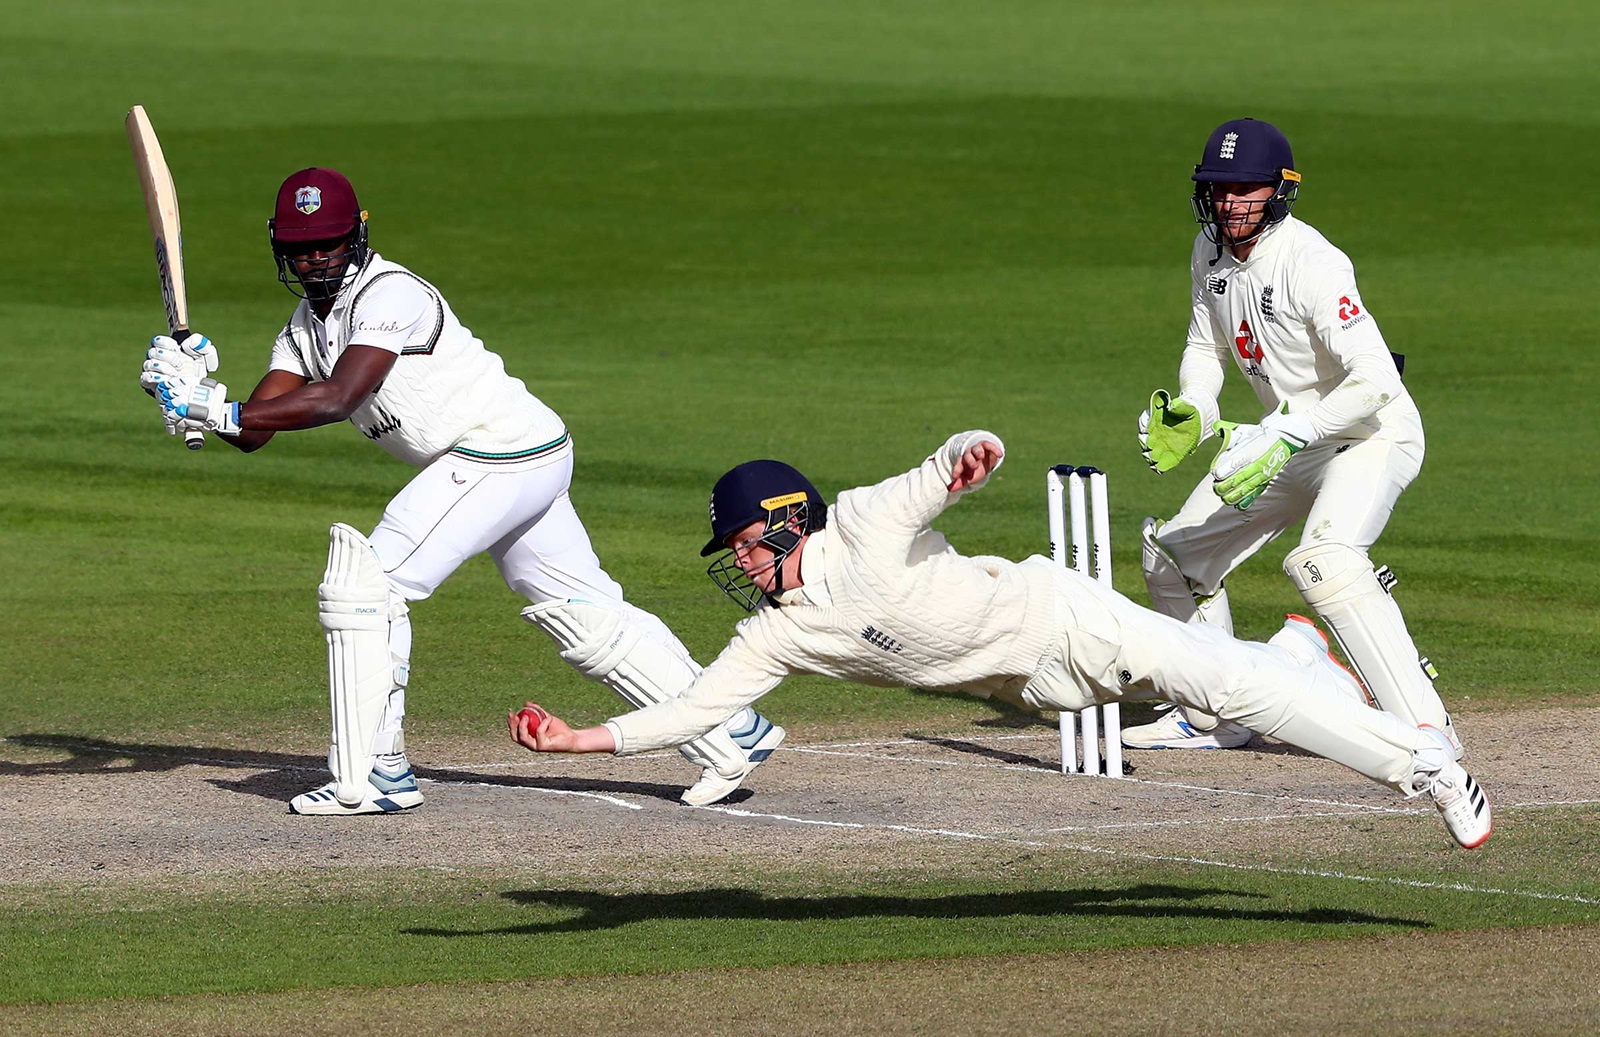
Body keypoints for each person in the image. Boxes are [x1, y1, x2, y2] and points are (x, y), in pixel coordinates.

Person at [139, 167, 784, 814]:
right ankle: (729, 729)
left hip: (500, 449)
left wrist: (215, 409)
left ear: (358, 235)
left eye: (329, 243)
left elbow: (341, 396)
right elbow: (256, 429)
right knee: (581, 611)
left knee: (371, 582)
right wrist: (198, 397)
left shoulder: (391, 294)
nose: (314, 259)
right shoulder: (304, 328)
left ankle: (375, 773)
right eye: (301, 247)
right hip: (518, 453)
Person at [507, 431, 1491, 849]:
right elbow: (695, 710)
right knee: (1236, 681)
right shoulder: (778, 634)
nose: (734, 560)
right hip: (1041, 691)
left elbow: (937, 469)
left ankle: (1428, 770)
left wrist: (969, 455)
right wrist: (578, 740)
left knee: (1225, 690)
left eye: (737, 541)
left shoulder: (860, 522)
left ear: (778, 523)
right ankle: (1299, 654)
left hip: (1062, 613)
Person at [1127, 118, 1457, 755]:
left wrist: (1291, 431)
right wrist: (1195, 407)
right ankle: (1217, 711)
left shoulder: (1312, 261)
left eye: (1244, 188)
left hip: (1370, 436)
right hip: (1287, 439)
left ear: (1279, 190)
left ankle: (1427, 730)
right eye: (1218, 188)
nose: (1229, 202)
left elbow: (1377, 380)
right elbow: (1204, 345)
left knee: (1323, 562)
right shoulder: (1210, 251)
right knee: (1172, 556)